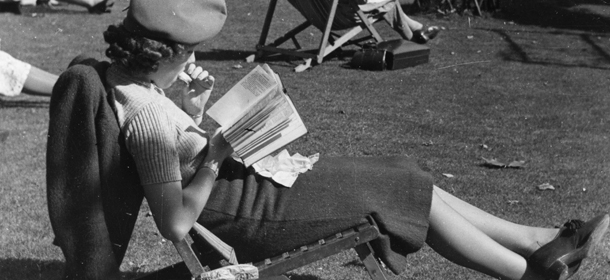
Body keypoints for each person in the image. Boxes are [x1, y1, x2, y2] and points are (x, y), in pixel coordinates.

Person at [46, 0, 608, 280]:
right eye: (187, 53)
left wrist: (191, 109)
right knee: (389, 190)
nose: (192, 60)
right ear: (161, 52)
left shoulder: (132, 87)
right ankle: (530, 270)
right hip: (242, 211)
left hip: (250, 189)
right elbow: (174, 223)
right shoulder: (143, 114)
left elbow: (170, 143)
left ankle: (537, 242)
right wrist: (216, 157)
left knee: (398, 169)